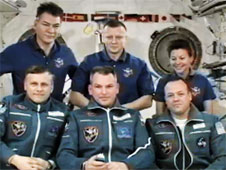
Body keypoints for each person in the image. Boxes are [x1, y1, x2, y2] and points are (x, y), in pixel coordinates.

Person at [57, 66, 154, 169]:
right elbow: (64, 155)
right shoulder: (76, 117)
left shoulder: (133, 116)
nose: (103, 92)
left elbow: (147, 151)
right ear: (90, 90)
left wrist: (126, 165)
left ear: (117, 88)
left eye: (109, 86)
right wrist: (84, 165)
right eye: (98, 87)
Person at [0, 2, 78, 102]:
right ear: (35, 24)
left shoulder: (66, 54)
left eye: (56, 26)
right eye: (46, 24)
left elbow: (82, 81)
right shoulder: (15, 52)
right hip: (23, 114)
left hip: (54, 114)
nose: (51, 30)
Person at [70, 19, 154, 110]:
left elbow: (148, 99)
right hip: (94, 118)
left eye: (119, 37)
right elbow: (75, 95)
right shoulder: (89, 62)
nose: (114, 41)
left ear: (125, 39)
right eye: (109, 37)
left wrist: (121, 110)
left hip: (128, 119)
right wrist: (97, 110)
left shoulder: (140, 65)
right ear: (102, 38)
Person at [146, 76, 226, 169]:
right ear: (166, 101)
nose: (176, 99)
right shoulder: (153, 126)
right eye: (170, 95)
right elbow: (146, 161)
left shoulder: (211, 122)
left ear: (189, 96)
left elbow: (223, 157)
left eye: (180, 94)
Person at [0, 65, 69, 169]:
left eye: (44, 84)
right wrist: (13, 159)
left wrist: (50, 164)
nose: (39, 89)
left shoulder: (63, 112)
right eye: (34, 84)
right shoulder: (9, 104)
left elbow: (68, 149)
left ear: (52, 87)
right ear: (25, 86)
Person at [155, 39, 216, 114]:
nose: (177, 62)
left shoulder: (202, 80)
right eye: (173, 59)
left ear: (191, 58)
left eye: (182, 58)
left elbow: (209, 114)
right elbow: (159, 115)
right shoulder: (163, 82)